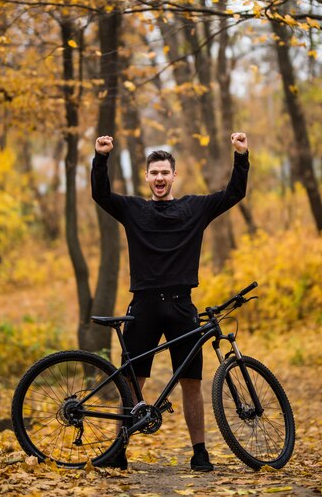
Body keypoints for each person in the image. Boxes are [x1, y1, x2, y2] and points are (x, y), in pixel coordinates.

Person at [91, 132, 249, 472]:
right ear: (146, 177)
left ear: (174, 176)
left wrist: (241, 155)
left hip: (181, 307)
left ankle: (200, 453)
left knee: (191, 382)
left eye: (165, 172)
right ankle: (118, 450)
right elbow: (100, 194)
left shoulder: (195, 208)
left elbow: (235, 193)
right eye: (154, 173)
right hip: (143, 307)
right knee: (133, 383)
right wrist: (101, 158)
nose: (160, 178)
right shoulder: (133, 209)